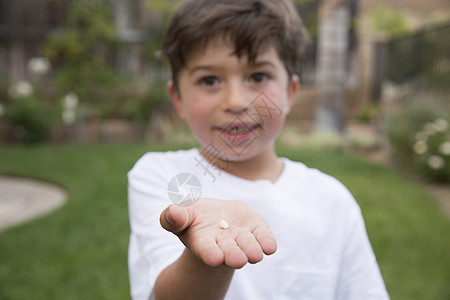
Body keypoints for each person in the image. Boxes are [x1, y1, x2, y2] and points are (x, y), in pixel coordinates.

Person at [127, 0, 390, 299]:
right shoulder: (164, 179)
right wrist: (208, 261)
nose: (236, 101)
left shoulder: (334, 202)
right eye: (209, 80)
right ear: (178, 98)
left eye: (257, 77)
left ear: (289, 93)